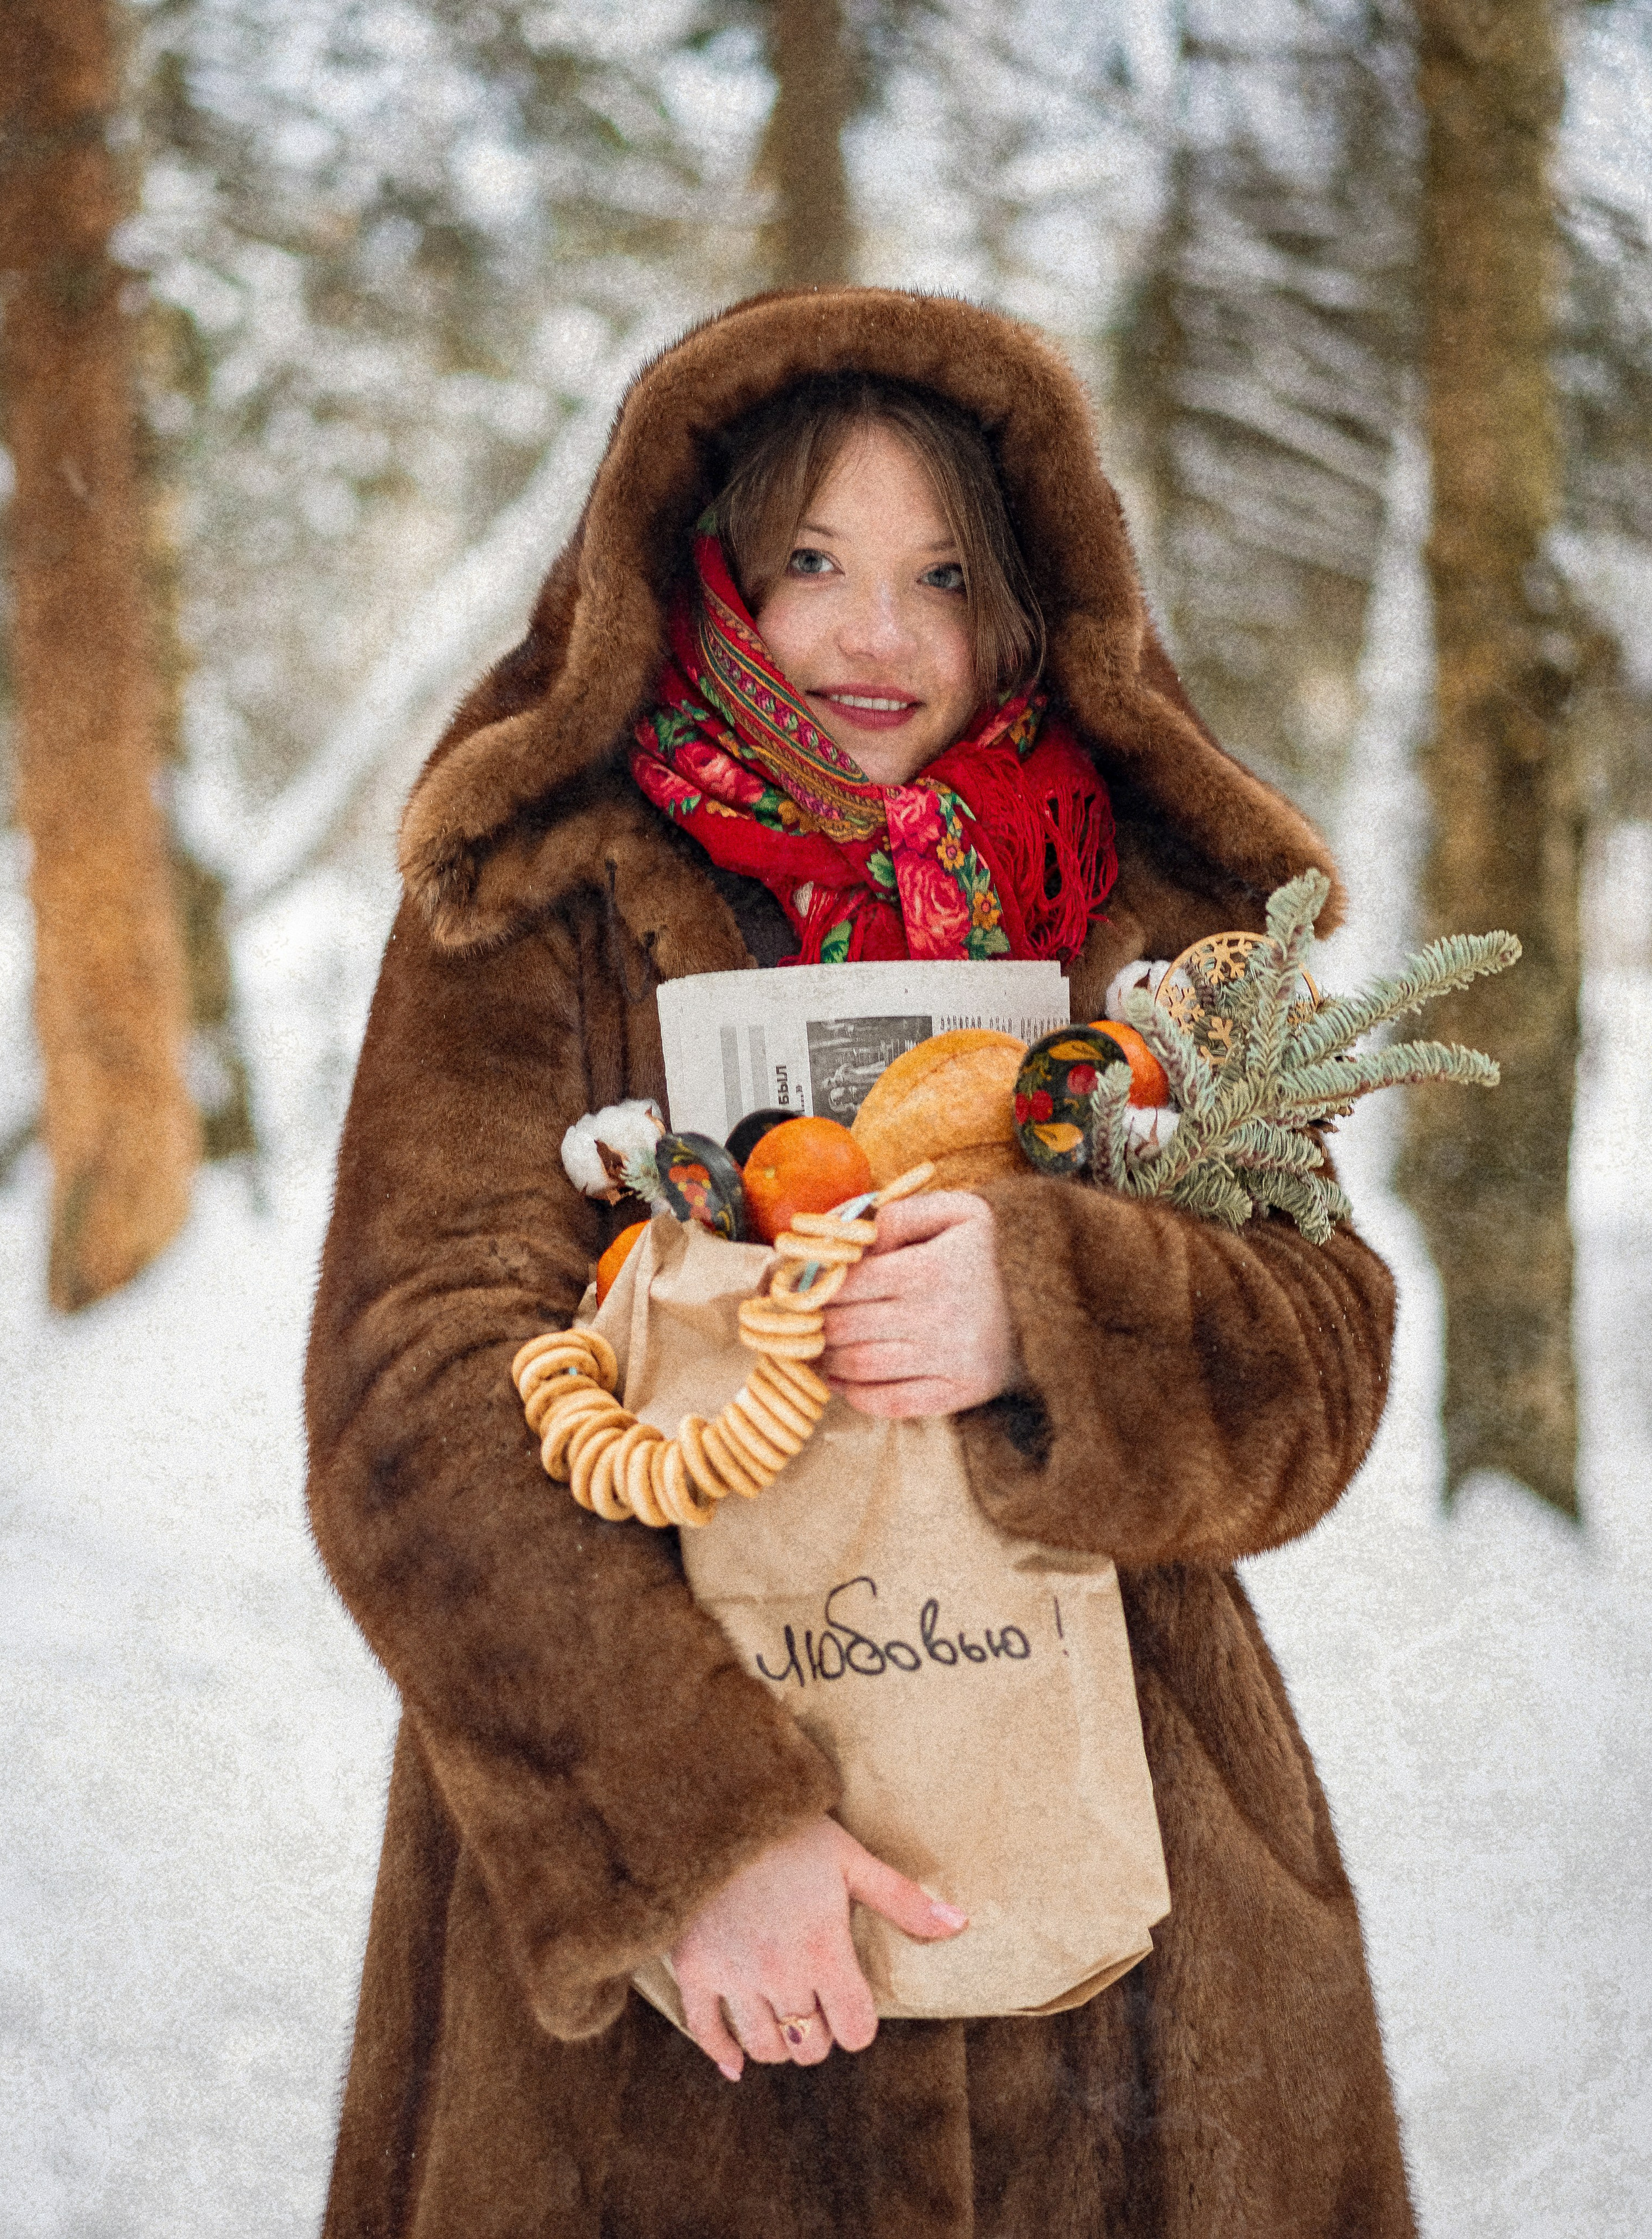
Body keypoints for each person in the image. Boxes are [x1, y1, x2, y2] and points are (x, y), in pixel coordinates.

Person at [307, 289, 1415, 2238]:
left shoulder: (1148, 901)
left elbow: (1319, 1357)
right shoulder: (550, 891)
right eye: (813, 561)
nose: (878, 634)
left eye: (943, 572)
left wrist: (1053, 1303)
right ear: (708, 576)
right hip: (668, 2046)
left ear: (1029, 601)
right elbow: (412, 1394)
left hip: (1145, 1982)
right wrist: (691, 1830)